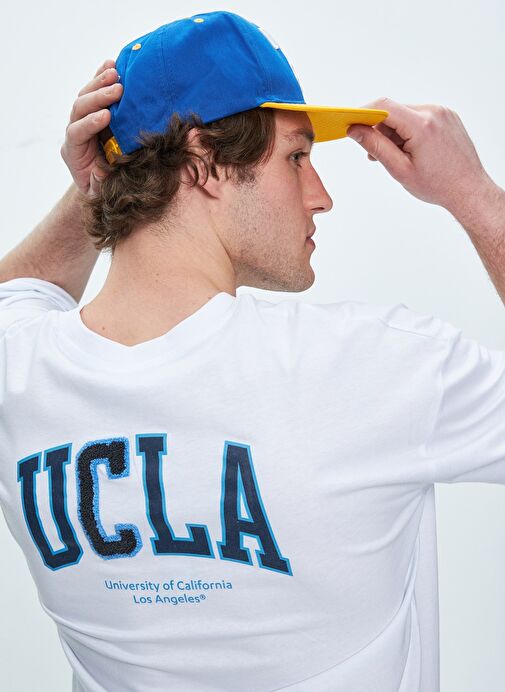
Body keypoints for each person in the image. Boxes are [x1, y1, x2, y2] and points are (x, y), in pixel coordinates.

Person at [0, 9, 504, 692]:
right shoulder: (370, 367)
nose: (320, 197)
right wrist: (473, 194)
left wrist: (105, 177)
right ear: (205, 163)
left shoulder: (21, 378)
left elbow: (17, 293)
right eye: (297, 157)